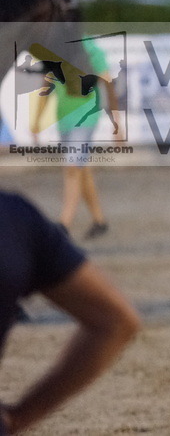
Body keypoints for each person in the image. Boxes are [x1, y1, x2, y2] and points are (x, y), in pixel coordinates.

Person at [0, 190, 140, 434]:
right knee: (75, 172)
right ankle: (91, 218)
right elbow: (116, 321)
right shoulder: (14, 218)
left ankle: (87, 218)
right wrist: (20, 417)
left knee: (75, 172)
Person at [31, 33, 117, 239]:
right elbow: (46, 85)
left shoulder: (90, 48)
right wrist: (36, 121)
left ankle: (63, 225)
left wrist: (117, 121)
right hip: (64, 118)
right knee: (81, 169)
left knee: (71, 167)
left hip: (87, 116)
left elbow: (107, 83)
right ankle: (99, 220)